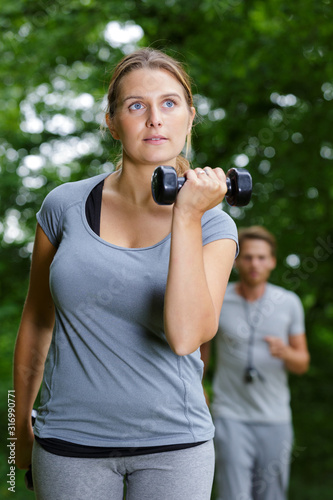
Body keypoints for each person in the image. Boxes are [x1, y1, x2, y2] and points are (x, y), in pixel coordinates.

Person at [13, 48, 239, 500]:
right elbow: (37, 323)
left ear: (189, 118)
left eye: (170, 103)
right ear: (113, 122)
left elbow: (186, 336)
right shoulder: (64, 207)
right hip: (68, 445)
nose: (155, 118)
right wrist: (15, 433)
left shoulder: (213, 223)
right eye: (137, 105)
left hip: (175, 448)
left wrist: (187, 216)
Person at [201, 225, 310, 500]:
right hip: (230, 416)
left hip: (275, 418)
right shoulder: (219, 296)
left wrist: (286, 352)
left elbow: (302, 363)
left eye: (261, 257)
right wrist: (198, 387)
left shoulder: (289, 302)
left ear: (272, 261)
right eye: (248, 257)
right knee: (233, 495)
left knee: (272, 495)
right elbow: (202, 349)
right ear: (237, 261)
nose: (254, 264)